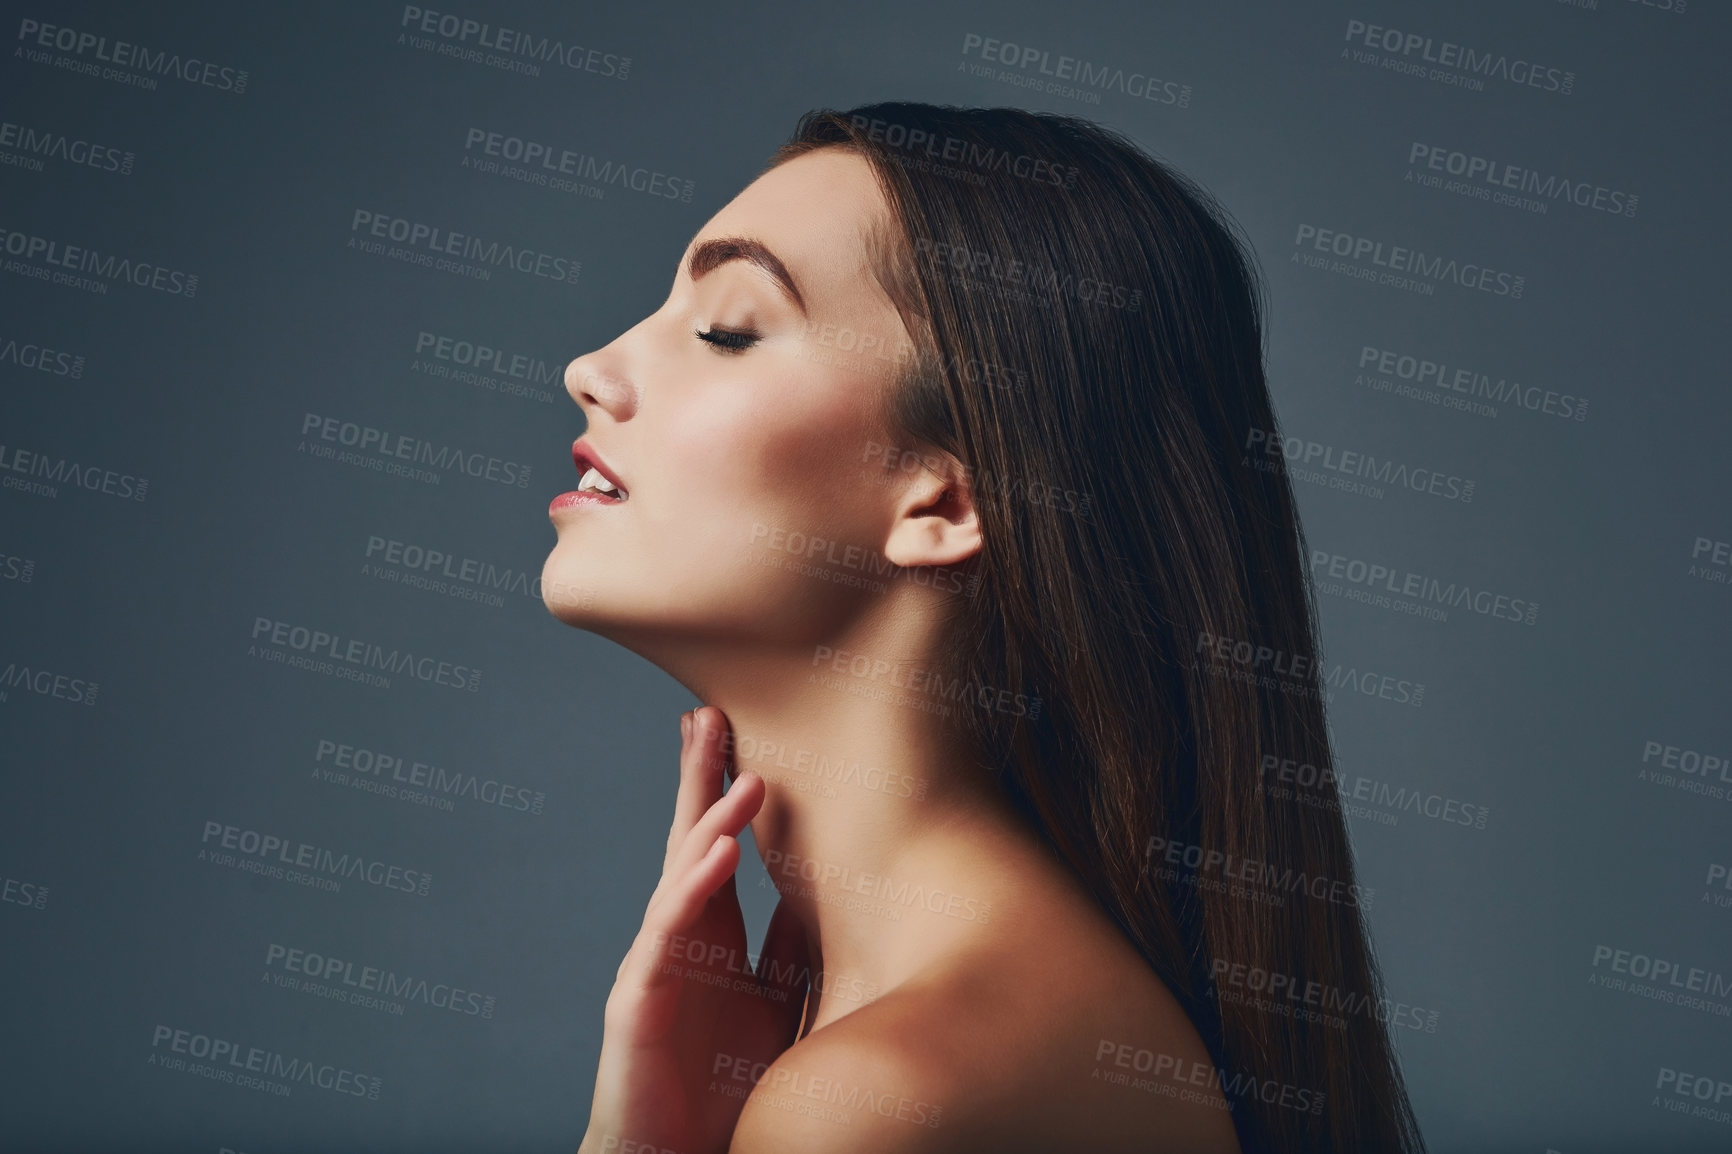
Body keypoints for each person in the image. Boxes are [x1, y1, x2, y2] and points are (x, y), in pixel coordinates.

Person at [544, 101, 1427, 1154]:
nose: (590, 368)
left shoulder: (876, 1098)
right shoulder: (963, 1029)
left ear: (948, 503)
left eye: (726, 329)